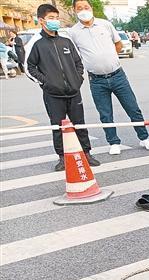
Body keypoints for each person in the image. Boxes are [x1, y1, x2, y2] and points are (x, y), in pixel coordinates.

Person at [69, 0, 149, 156]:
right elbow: (76, 54)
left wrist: (108, 58)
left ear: (91, 8)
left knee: (133, 108)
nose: (83, 10)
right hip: (96, 80)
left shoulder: (105, 24)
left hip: (117, 75)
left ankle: (144, 138)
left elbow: (118, 44)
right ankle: (114, 142)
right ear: (74, 10)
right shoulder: (74, 32)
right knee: (105, 114)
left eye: (86, 7)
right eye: (79, 8)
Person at [26, 4, 99, 172]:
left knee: (79, 124)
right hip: (53, 94)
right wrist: (46, 82)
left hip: (74, 92)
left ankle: (86, 153)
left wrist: (77, 79)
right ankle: (62, 158)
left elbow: (78, 62)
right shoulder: (36, 43)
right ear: (41, 20)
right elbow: (29, 68)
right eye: (51, 18)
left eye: (56, 18)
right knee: (58, 127)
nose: (55, 21)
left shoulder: (66, 41)